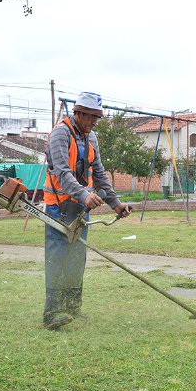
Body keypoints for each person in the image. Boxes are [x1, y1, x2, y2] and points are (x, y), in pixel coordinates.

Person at [42, 92, 131, 330]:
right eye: (90, 116)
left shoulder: (91, 138)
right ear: (78, 113)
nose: (93, 122)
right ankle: (52, 314)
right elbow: (62, 172)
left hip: (80, 205)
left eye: (97, 118)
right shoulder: (60, 134)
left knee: (77, 258)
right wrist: (84, 194)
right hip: (58, 205)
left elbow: (99, 173)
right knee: (58, 257)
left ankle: (72, 308)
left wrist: (115, 203)